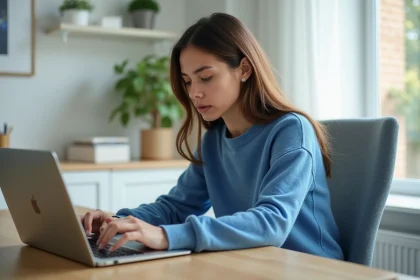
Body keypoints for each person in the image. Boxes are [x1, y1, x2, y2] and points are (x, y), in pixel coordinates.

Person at [81, 12, 344, 260]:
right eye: (187, 81)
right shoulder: (214, 142)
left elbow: (271, 223)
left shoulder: (291, 131)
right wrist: (118, 220)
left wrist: (165, 235)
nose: (194, 92)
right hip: (249, 263)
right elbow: (176, 208)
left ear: (244, 69)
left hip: (310, 268)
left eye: (205, 77)